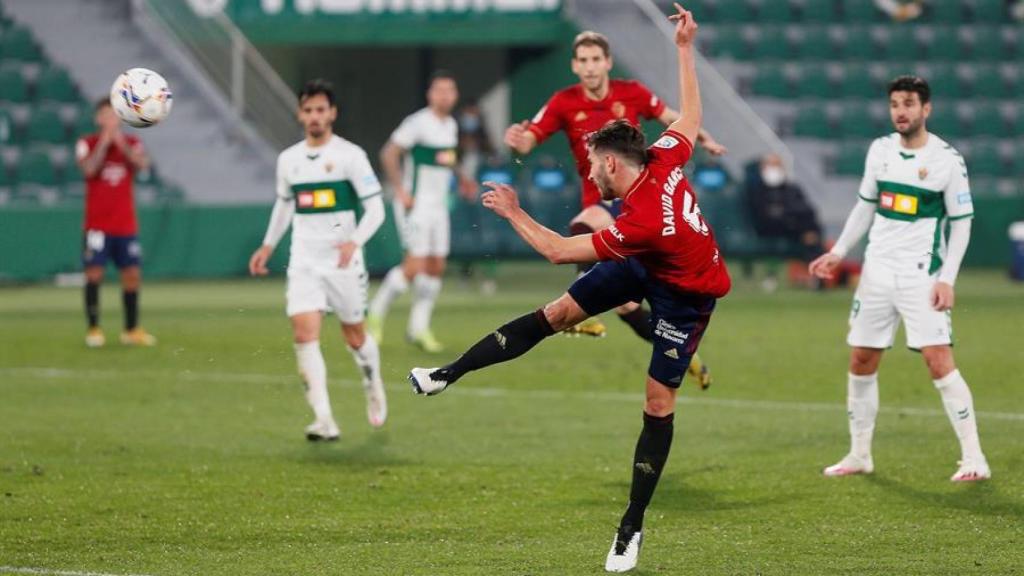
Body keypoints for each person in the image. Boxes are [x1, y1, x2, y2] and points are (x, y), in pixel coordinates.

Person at [411, 7, 729, 571]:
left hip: (687, 294)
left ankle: (631, 527)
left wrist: (512, 211)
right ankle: (446, 374)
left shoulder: (640, 220)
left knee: (657, 402)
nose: (590, 172)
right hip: (644, 264)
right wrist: (684, 47)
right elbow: (693, 114)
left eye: (591, 165)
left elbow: (558, 249)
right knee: (558, 311)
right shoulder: (664, 153)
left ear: (610, 163)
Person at [503, 28, 725, 389]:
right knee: (625, 307)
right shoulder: (563, 102)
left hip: (636, 203)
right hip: (598, 201)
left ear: (607, 62)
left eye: (596, 59)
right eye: (583, 61)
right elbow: (529, 140)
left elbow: (673, 115)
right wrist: (517, 140)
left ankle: (579, 298)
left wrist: (705, 138)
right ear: (574, 66)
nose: (590, 67)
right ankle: (688, 356)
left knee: (585, 224)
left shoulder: (631, 93)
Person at [809, 75, 988, 482]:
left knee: (938, 361)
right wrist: (839, 252)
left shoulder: (947, 159)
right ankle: (859, 454)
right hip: (876, 273)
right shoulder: (881, 151)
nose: (900, 111)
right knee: (861, 359)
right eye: (894, 104)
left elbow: (962, 224)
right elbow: (865, 206)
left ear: (926, 109)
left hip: (922, 275)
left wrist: (948, 279)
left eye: (908, 103)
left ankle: (974, 457)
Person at [248, 79, 387, 440]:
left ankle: (372, 382)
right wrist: (267, 245)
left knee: (355, 336)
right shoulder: (289, 160)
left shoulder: (350, 156)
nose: (314, 116)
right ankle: (324, 420)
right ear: (300, 114)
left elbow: (376, 209)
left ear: (332, 113)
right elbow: (284, 203)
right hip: (304, 262)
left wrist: (354, 242)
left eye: (321, 110)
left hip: (342, 263)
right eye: (308, 110)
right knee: (304, 334)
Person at [367, 71, 477, 353]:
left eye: (450, 91)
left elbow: (447, 158)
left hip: (439, 206)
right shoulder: (417, 123)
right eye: (439, 90)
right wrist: (400, 191)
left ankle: (418, 328)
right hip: (414, 205)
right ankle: (375, 314)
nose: (445, 96)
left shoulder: (450, 125)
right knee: (413, 266)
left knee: (436, 266)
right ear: (430, 94)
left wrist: (463, 177)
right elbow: (388, 153)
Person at [76, 98, 155, 348]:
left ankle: (131, 329)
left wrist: (120, 143)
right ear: (98, 119)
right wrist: (104, 144)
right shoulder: (87, 143)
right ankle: (94, 328)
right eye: (106, 115)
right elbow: (89, 170)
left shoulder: (132, 143)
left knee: (132, 275)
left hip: (125, 225)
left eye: (114, 115)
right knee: (94, 274)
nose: (110, 120)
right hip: (97, 226)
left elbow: (143, 165)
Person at [745, 153, 823, 263]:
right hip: (768, 228)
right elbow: (760, 213)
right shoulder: (756, 190)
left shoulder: (791, 188)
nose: (774, 170)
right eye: (770, 165)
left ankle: (816, 265)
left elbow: (806, 209)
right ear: (762, 168)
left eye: (777, 166)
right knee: (807, 229)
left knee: (810, 229)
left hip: (793, 227)